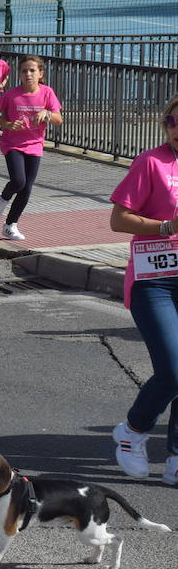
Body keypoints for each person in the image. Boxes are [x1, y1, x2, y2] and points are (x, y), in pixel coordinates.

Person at [108, 96, 178, 486]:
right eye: (171, 120)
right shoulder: (151, 162)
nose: (176, 127)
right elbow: (119, 219)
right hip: (155, 281)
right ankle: (132, 432)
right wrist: (168, 226)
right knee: (173, 370)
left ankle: (175, 458)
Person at [0, 55, 63, 241]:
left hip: (34, 145)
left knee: (27, 188)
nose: (28, 74)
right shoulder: (12, 94)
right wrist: (6, 124)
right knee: (18, 181)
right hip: (13, 144)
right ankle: (2, 199)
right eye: (24, 71)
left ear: (40, 73)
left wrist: (47, 113)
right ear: (19, 74)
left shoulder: (47, 93)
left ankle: (10, 225)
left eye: (32, 70)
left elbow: (58, 120)